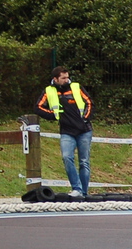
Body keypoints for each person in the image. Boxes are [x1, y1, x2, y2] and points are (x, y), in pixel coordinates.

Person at [35, 66, 94, 198]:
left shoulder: (76, 87)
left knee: (84, 161)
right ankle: (76, 188)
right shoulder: (49, 91)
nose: (66, 80)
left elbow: (89, 102)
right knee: (67, 157)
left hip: (84, 130)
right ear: (55, 79)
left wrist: (85, 118)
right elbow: (38, 107)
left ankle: (84, 193)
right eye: (63, 78)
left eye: (67, 77)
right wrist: (54, 116)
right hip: (66, 131)